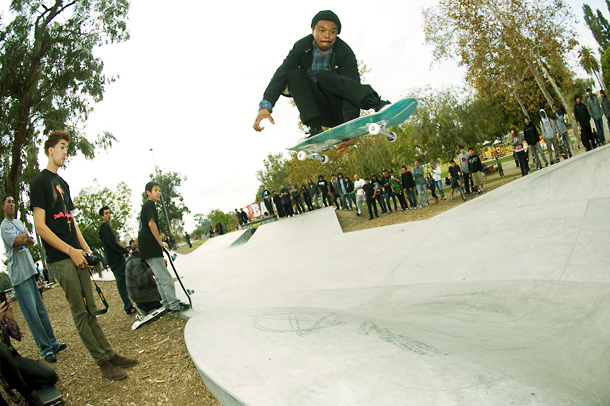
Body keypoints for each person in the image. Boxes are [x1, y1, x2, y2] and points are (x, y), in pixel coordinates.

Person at [30, 130, 138, 381]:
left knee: (91, 309)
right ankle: (102, 362)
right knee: (79, 312)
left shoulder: (63, 184)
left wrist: (86, 250)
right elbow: (40, 227)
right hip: (61, 257)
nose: (65, 152)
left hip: (77, 254)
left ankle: (109, 354)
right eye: (61, 147)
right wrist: (69, 251)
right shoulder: (40, 182)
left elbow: (71, 221)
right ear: (50, 150)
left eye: (67, 148)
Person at [253, 10, 389, 141]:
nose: (327, 35)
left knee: (323, 76)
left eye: (333, 32)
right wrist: (265, 106)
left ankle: (377, 104)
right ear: (313, 31)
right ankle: (314, 129)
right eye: (322, 30)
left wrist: (350, 128)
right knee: (294, 73)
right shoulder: (302, 46)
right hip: (318, 110)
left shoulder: (344, 52)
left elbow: (351, 87)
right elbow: (281, 74)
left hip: (340, 110)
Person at [1, 195, 66, 363]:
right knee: (32, 315)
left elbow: (28, 241)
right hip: (19, 277)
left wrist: (23, 238)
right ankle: (45, 349)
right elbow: (18, 240)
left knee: (42, 311)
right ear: (3, 207)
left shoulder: (19, 223)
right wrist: (23, 237)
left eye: (13, 202)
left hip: (30, 272)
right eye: (8, 202)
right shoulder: (4, 226)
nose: (11, 204)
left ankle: (53, 343)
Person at [138, 181, 190, 316]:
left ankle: (167, 304)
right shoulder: (149, 204)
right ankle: (174, 305)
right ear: (148, 192)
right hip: (150, 246)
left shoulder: (147, 205)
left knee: (160, 278)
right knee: (165, 278)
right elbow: (151, 224)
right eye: (155, 190)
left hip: (146, 248)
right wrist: (160, 242)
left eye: (159, 190)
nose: (158, 193)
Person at [0, 296, 58, 406]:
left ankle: (20, 384)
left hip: (14, 360)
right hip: (2, 370)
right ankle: (29, 397)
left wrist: (11, 319)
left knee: (51, 376)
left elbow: (17, 336)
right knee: (2, 350)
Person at [98, 206, 135, 315]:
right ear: (102, 216)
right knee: (129, 279)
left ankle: (128, 306)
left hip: (114, 261)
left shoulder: (105, 228)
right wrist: (125, 251)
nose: (109, 215)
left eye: (109, 213)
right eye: (106, 213)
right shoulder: (105, 228)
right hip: (117, 261)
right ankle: (132, 304)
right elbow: (112, 244)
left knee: (122, 283)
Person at [125, 243, 162, 317]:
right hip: (142, 297)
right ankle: (144, 307)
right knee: (166, 297)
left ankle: (144, 306)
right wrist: (154, 266)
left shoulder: (138, 259)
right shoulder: (136, 262)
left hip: (141, 294)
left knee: (164, 290)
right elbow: (142, 280)